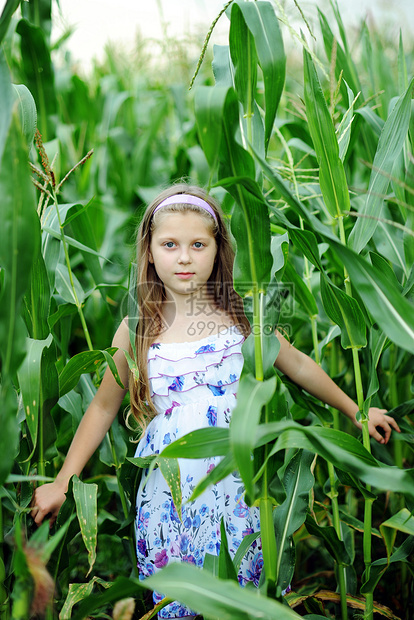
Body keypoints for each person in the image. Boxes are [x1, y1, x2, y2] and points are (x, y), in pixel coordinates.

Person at [31, 183, 400, 618]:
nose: (184, 257)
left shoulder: (240, 318)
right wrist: (61, 481)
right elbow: (102, 407)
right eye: (170, 244)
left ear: (216, 250)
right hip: (170, 495)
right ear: (149, 252)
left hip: (238, 486)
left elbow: (297, 364)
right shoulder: (137, 328)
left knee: (241, 599)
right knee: (179, 601)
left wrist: (355, 410)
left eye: (197, 244)